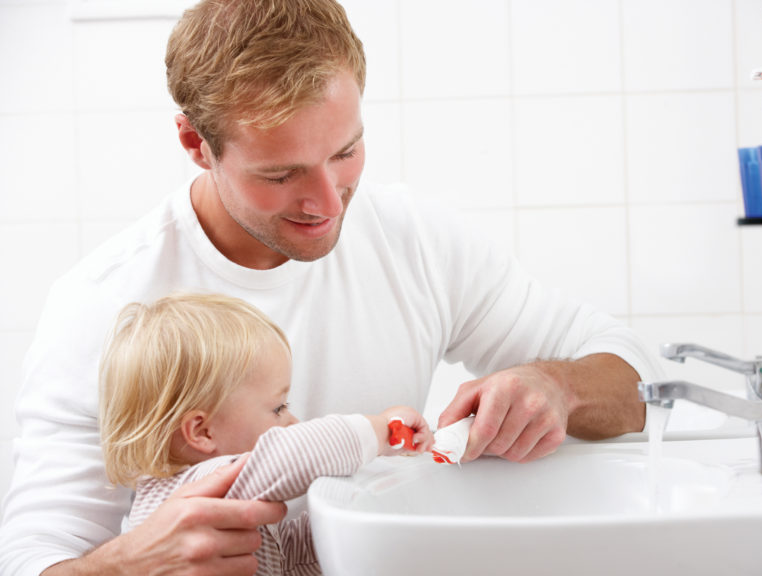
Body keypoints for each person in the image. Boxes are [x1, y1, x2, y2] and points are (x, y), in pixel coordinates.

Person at [0, 0, 663, 574]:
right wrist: (130, 565)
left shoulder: (415, 240)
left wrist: (561, 388)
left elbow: (641, 380)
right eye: (281, 173)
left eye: (345, 153)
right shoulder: (104, 302)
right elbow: (33, 553)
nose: (327, 202)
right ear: (195, 143)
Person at [99, 292, 432, 576]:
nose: (293, 421)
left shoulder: (203, 503)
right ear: (201, 432)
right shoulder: (202, 485)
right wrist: (381, 429)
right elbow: (293, 453)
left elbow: (283, 558)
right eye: (278, 408)